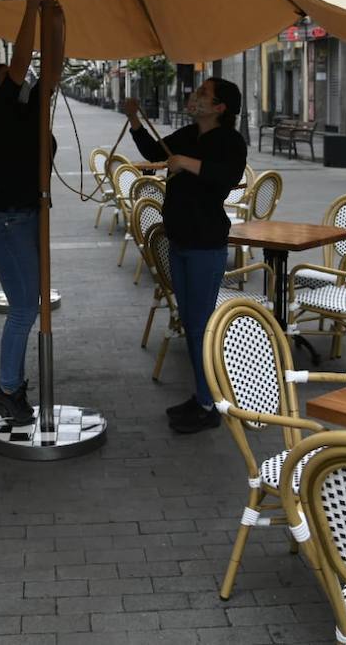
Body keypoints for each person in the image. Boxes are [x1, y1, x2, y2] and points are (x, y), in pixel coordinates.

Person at [126, 78, 247, 433]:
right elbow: (154, 152)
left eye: (203, 95)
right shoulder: (189, 133)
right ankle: (202, 396)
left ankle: (209, 404)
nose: (194, 98)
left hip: (204, 245)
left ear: (220, 107)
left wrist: (187, 163)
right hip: (180, 242)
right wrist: (134, 120)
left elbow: (227, 175)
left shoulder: (229, 141)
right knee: (190, 324)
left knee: (199, 327)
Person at [0, 0, 62, 424]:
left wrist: (57, 19)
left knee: (31, 305)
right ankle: (6, 388)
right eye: (4, 77)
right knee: (26, 309)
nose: (16, 78)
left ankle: (14, 386)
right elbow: (22, 59)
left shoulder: (26, 112)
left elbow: (51, 70)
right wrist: (32, 8)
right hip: (10, 224)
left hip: (24, 220)